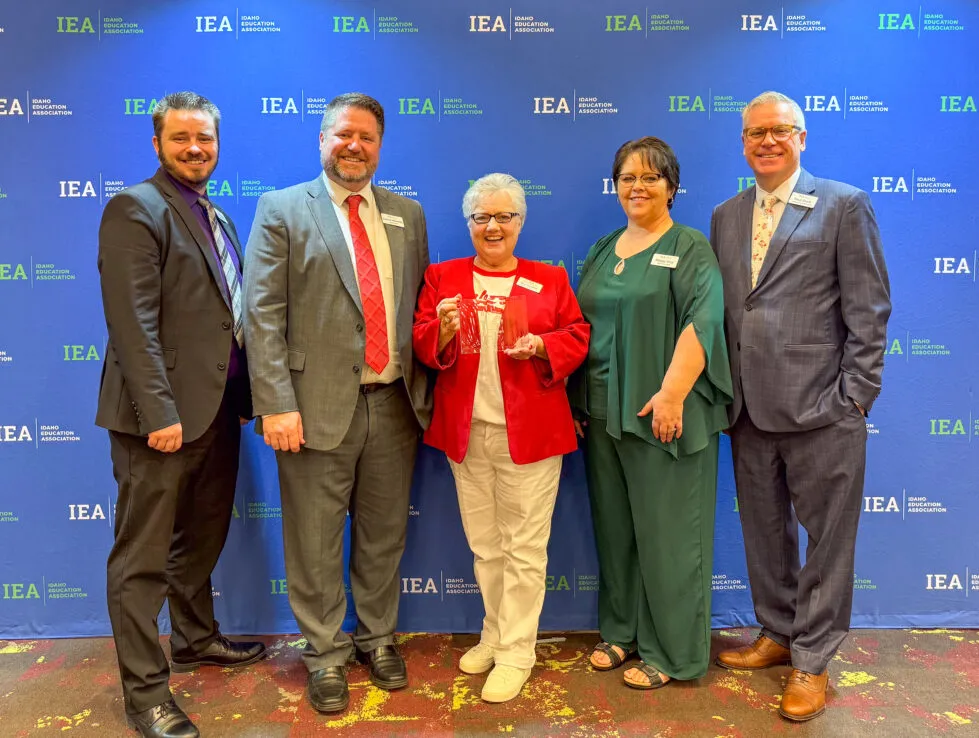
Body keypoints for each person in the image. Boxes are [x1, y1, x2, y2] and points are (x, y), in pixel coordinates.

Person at [243, 92, 431, 715]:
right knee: (315, 539)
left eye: (368, 137)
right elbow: (261, 315)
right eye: (344, 134)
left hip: (394, 405)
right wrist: (275, 403)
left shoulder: (408, 214)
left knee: (382, 536)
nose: (355, 146)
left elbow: (418, 312)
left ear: (381, 146)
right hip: (310, 406)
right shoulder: (281, 209)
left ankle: (377, 639)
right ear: (322, 140)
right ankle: (324, 653)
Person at [710, 91, 891, 722]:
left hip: (824, 411)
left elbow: (868, 311)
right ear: (742, 142)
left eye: (779, 131)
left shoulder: (844, 205)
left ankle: (812, 660)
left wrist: (855, 399)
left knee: (828, 542)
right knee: (764, 535)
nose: (766, 141)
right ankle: (777, 633)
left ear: (802, 138)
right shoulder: (726, 215)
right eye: (755, 133)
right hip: (748, 411)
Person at [96, 91, 265, 738]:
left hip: (217, 413)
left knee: (201, 538)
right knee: (140, 560)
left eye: (206, 139)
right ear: (157, 143)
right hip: (156, 420)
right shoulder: (135, 209)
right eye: (181, 138)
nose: (196, 148)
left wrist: (243, 401)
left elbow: (231, 319)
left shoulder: (215, 215)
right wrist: (157, 411)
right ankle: (146, 695)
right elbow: (132, 322)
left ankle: (196, 638)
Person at [413, 174, 589, 702]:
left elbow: (578, 336)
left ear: (520, 222)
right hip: (467, 435)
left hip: (532, 435)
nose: (494, 226)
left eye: (504, 216)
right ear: (469, 223)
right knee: (486, 547)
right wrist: (441, 329)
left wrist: (542, 346)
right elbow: (423, 346)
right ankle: (494, 634)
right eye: (482, 217)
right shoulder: (442, 277)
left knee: (525, 549)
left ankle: (516, 652)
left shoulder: (549, 279)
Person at [571, 137, 732, 691]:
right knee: (616, 534)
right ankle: (621, 632)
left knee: (669, 539)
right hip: (602, 418)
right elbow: (582, 328)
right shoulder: (603, 247)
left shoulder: (690, 248)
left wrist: (671, 393)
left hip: (666, 417)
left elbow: (703, 321)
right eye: (626, 178)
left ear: (672, 185)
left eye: (650, 177)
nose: (637, 187)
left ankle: (674, 653)